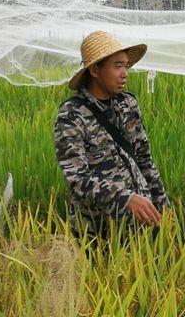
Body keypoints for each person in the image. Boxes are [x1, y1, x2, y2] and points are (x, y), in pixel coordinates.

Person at [54, 31, 170, 240]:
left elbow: (145, 160)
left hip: (139, 224)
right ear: (95, 70)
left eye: (126, 65)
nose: (125, 72)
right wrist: (126, 199)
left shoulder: (128, 104)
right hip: (97, 231)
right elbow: (77, 179)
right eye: (117, 66)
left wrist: (162, 204)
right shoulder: (71, 115)